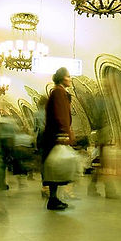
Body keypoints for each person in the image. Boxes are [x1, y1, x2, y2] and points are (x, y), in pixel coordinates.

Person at [41, 67, 74, 210]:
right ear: (62, 78)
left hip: (52, 135)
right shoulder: (59, 93)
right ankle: (53, 199)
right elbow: (61, 115)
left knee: (54, 167)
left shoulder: (57, 92)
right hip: (56, 135)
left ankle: (53, 198)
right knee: (55, 167)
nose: (70, 79)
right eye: (68, 76)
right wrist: (65, 133)